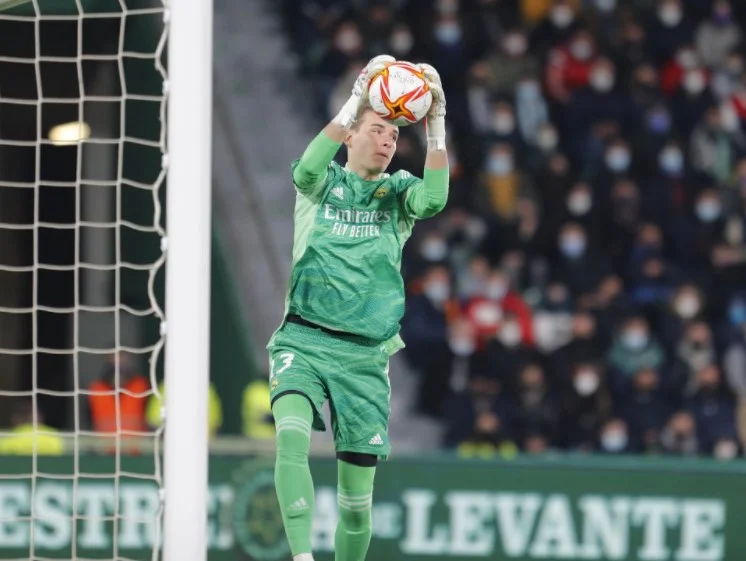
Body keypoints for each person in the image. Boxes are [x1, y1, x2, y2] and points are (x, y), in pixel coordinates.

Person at [267, 54, 449, 561]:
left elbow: (435, 200)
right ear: (350, 134)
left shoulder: (398, 193)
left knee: (355, 506)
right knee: (290, 441)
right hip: (304, 338)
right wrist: (355, 98)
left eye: (394, 134)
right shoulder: (322, 183)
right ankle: (301, 557)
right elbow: (307, 166)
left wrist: (436, 126)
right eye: (377, 129)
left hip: (366, 358)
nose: (388, 140)